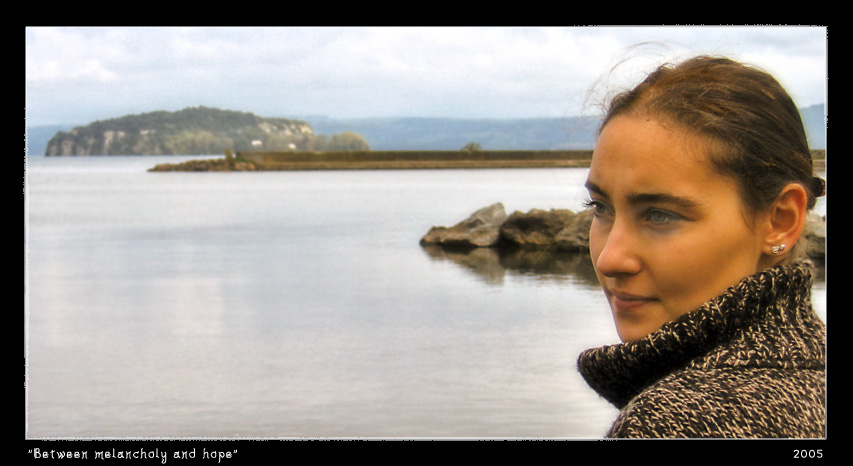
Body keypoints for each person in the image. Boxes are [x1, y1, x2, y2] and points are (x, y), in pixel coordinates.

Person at [576, 55, 826, 438]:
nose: (610, 258)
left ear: (780, 221)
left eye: (659, 215)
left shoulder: (674, 421)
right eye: (601, 208)